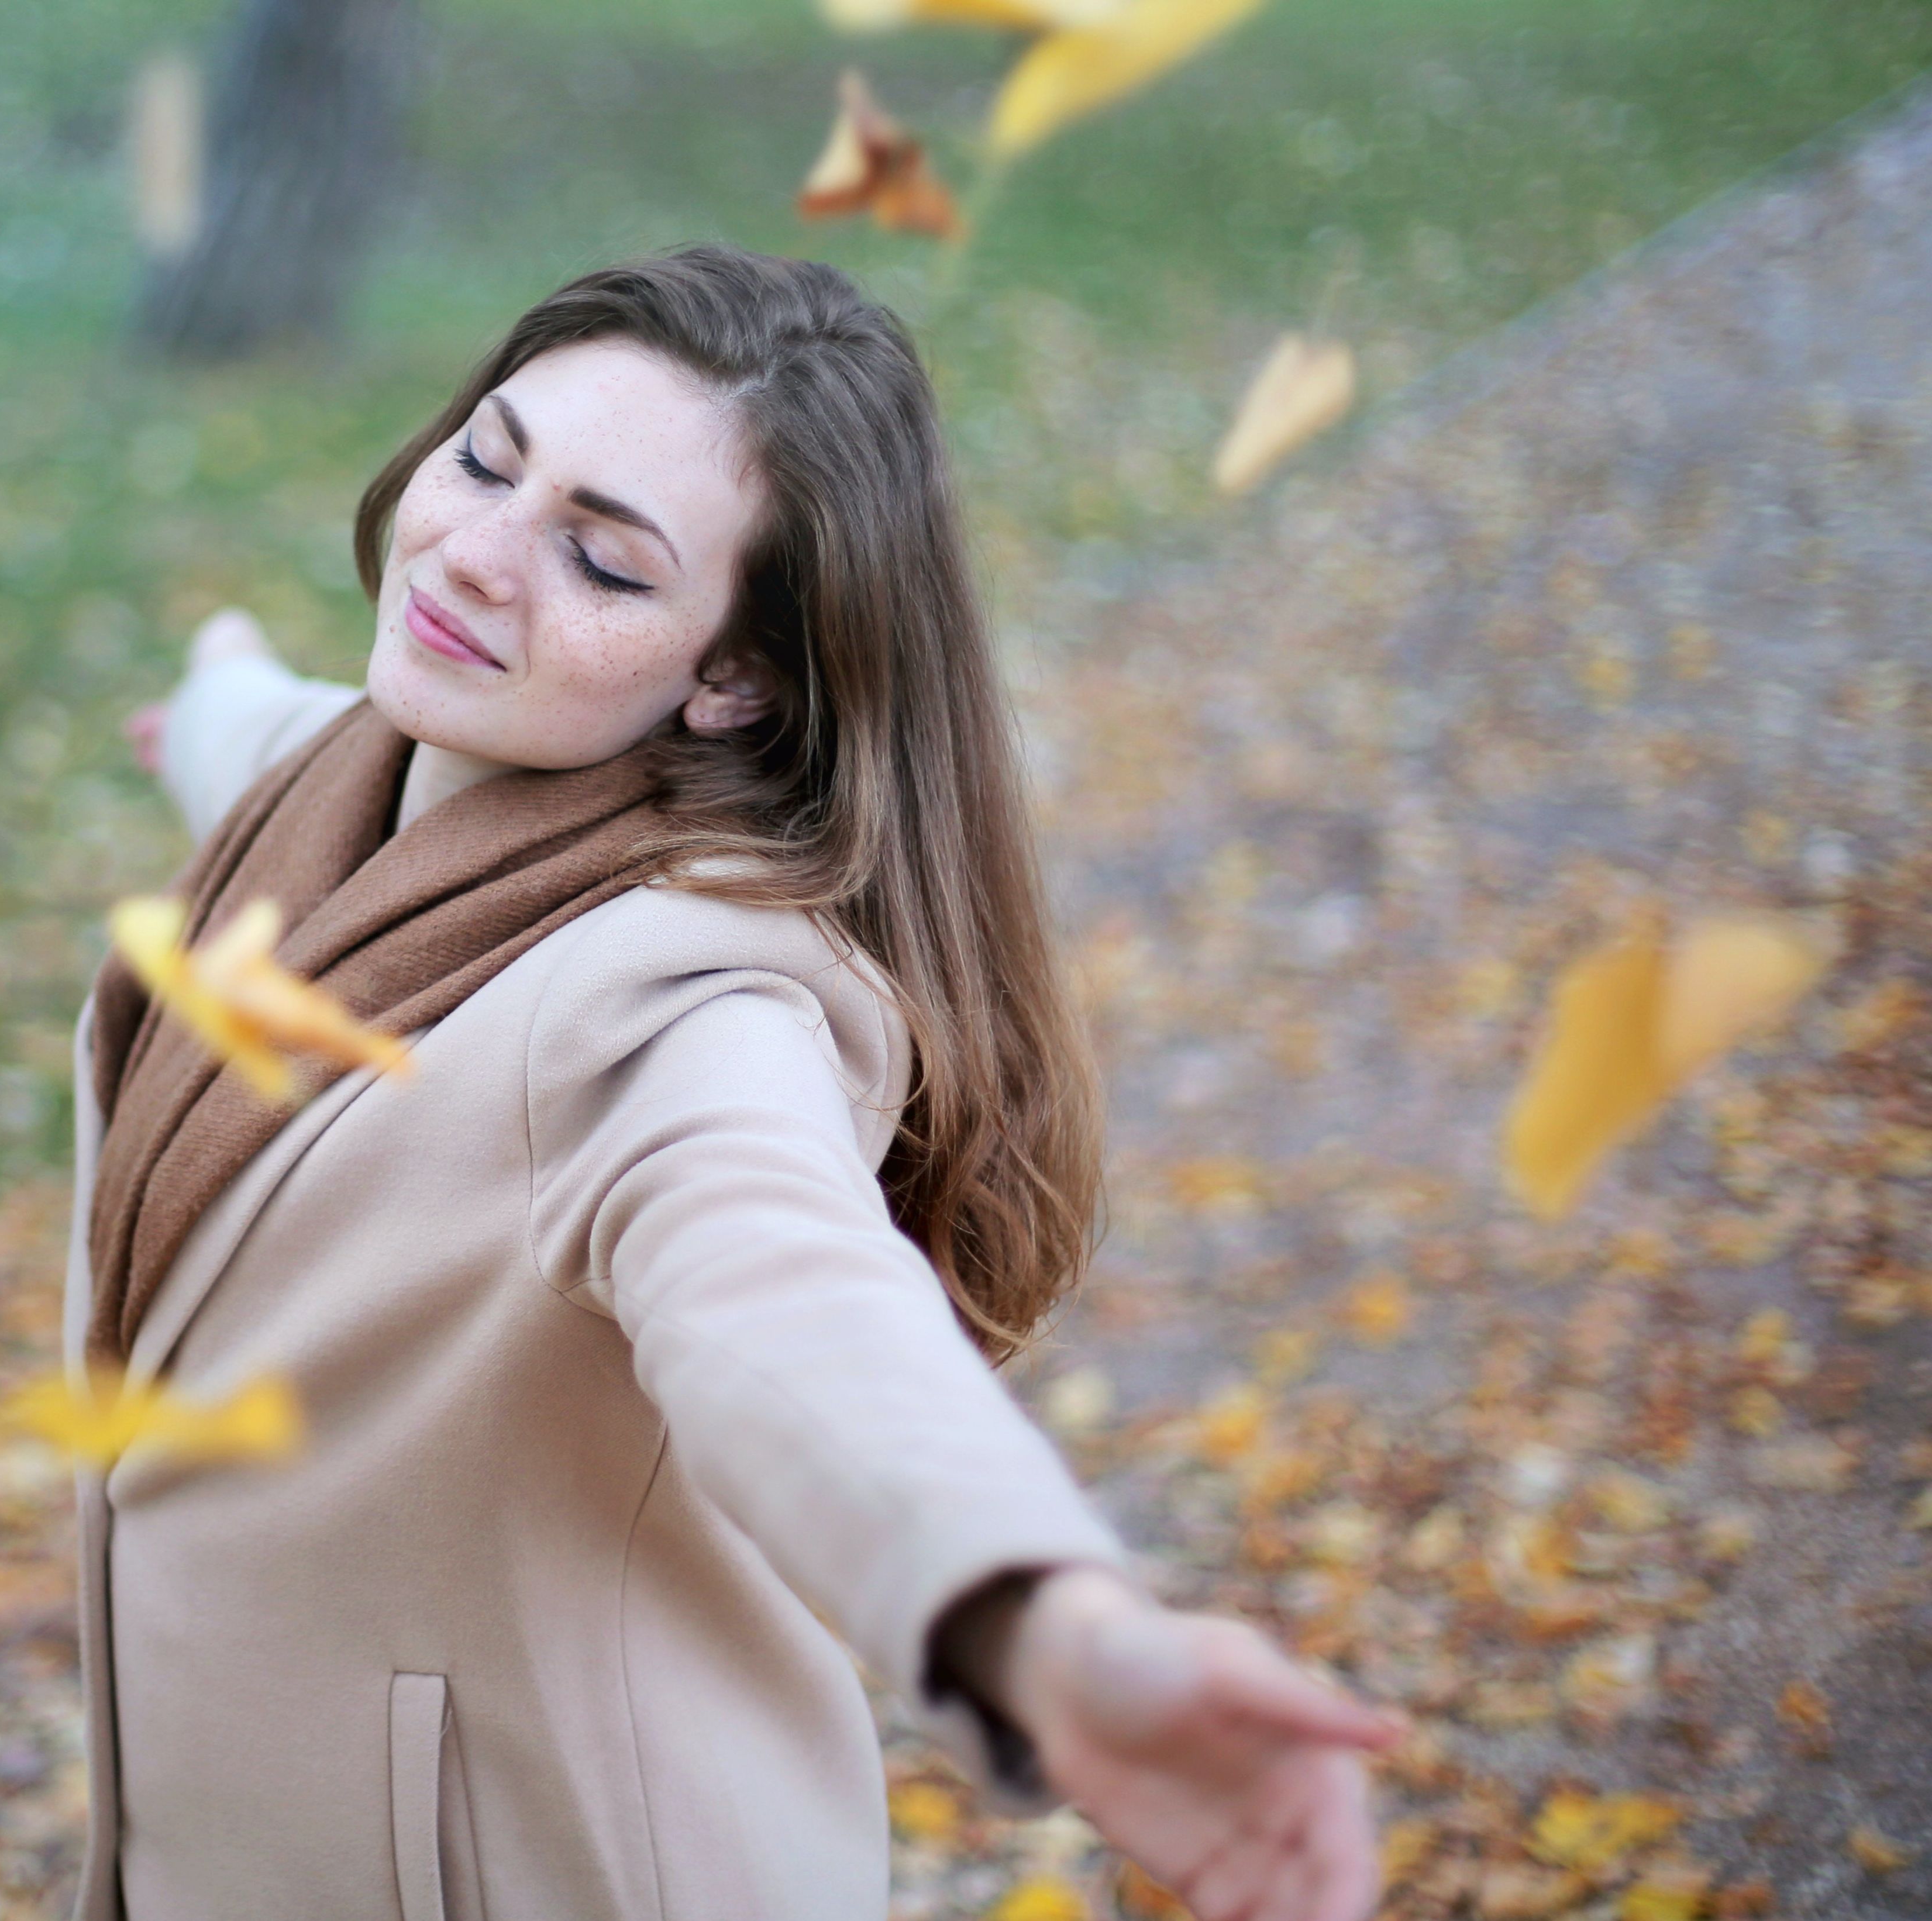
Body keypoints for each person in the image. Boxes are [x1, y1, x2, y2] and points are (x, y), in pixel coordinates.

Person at [71, 245, 1398, 1921]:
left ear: (733, 677)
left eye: (599, 559)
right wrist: (206, 694)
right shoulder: (338, 774)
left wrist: (1044, 1629)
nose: (475, 556)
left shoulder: (684, 1003)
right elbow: (269, 739)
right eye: (487, 457)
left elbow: (783, 1295)